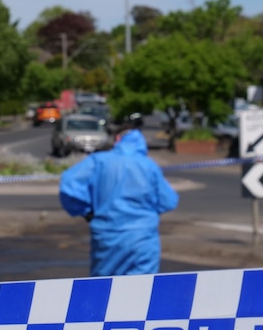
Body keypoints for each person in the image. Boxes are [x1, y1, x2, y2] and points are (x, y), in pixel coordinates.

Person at [59, 115, 179, 277]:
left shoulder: (98, 161)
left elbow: (69, 184)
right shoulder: (149, 166)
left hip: (108, 236)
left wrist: (86, 211)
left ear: (117, 139)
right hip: (143, 238)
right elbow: (168, 201)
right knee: (142, 292)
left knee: (104, 291)